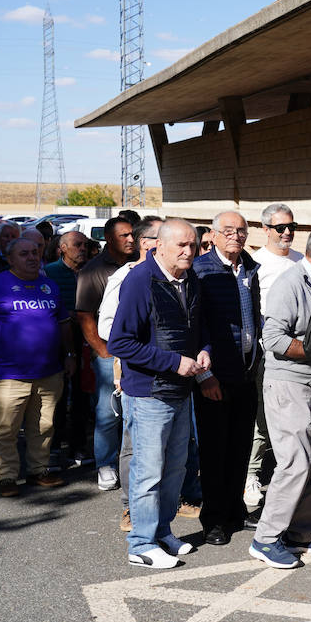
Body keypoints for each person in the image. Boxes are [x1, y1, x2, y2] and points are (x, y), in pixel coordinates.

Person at [108, 219, 211, 568]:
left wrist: (203, 350)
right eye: (181, 245)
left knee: (174, 469)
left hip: (181, 390)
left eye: (193, 245)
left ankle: (162, 532)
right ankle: (140, 543)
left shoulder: (189, 276)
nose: (188, 251)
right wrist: (172, 362)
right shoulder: (139, 281)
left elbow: (199, 327)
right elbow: (119, 342)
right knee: (149, 471)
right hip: (150, 392)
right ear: (158, 247)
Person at [250, 225, 311, 567]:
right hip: (288, 385)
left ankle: (299, 535)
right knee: (295, 462)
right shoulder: (290, 284)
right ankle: (265, 538)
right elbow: (274, 339)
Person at [0, 235, 73, 496]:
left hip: (49, 372)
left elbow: (63, 323)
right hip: (9, 374)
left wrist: (70, 354)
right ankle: (7, 477)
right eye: (24, 253)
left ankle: (39, 471)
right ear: (10, 258)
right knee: (7, 428)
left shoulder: (50, 286)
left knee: (43, 425)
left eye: (35, 252)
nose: (31, 257)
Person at [189, 211, 261, 546]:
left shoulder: (249, 267)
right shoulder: (200, 271)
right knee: (215, 450)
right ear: (214, 235)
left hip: (245, 373)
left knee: (240, 446)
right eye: (228, 231)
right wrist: (205, 375)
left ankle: (234, 510)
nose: (236, 236)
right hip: (214, 375)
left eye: (241, 231)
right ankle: (213, 519)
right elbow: (195, 328)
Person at [98, 218, 163, 531]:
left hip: (172, 374)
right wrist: (144, 342)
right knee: (134, 444)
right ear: (144, 243)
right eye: (159, 236)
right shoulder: (124, 276)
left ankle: (169, 503)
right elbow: (106, 327)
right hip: (137, 372)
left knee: (174, 445)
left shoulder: (176, 276)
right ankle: (130, 507)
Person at [246, 203, 303, 511]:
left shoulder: (300, 261)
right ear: (266, 230)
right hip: (268, 354)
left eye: (291, 226)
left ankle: (289, 476)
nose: (287, 233)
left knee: (292, 418)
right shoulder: (257, 264)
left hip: (300, 354)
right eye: (280, 228)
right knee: (263, 418)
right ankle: (252, 476)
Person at [75, 216, 137, 491]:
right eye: (124, 236)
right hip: (109, 351)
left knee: (134, 410)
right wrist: (101, 350)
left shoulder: (139, 262)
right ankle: (105, 464)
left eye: (132, 235)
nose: (131, 240)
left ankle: (131, 461)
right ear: (109, 239)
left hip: (137, 351)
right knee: (108, 410)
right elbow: (84, 314)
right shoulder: (93, 270)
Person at [45, 230, 93, 470]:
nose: (82, 248)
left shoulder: (92, 270)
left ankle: (78, 446)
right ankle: (54, 448)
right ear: (62, 248)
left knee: (84, 396)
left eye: (85, 244)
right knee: (58, 396)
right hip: (58, 340)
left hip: (88, 338)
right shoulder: (49, 272)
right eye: (77, 244)